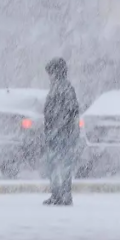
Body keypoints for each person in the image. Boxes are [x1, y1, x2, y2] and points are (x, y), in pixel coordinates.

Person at [43, 57, 81, 206]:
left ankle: (61, 194)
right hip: (58, 134)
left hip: (61, 134)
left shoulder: (63, 88)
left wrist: (57, 128)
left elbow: (69, 111)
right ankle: (58, 194)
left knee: (61, 165)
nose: (49, 77)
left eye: (51, 73)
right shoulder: (59, 88)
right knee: (56, 165)